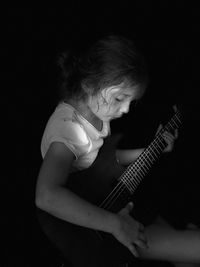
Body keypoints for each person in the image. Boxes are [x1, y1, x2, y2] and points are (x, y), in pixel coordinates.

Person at [35, 35, 200, 267]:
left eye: (131, 102)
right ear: (89, 84)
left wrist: (154, 148)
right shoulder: (68, 131)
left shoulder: (96, 114)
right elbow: (46, 196)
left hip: (111, 203)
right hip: (94, 231)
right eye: (120, 98)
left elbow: (102, 162)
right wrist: (115, 224)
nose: (125, 110)